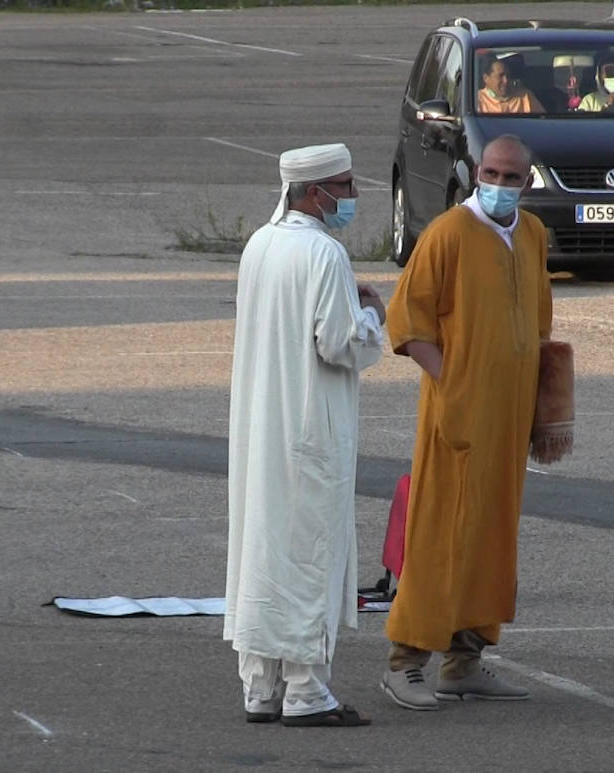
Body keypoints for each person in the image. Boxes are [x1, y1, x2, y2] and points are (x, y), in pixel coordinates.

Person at [378, 135, 553, 711]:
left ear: (528, 182)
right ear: (477, 170)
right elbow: (408, 322)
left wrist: (543, 409)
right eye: (493, 172)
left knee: (490, 537)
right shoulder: (448, 233)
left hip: (507, 421)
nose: (500, 185)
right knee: (440, 534)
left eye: (512, 177)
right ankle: (405, 663)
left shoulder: (530, 236)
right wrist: (450, 382)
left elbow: (538, 328)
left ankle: (465, 660)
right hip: (457, 417)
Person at [224, 143, 386, 728]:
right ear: (315, 192)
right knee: (308, 560)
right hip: (308, 433)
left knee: (264, 554)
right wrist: (373, 315)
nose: (352, 196)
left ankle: (260, 687)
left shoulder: (259, 245)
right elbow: (340, 342)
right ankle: (306, 692)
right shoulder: (324, 253)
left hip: (262, 430)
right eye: (345, 185)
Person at [477, 57, 546, 114]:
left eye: (508, 75)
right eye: (500, 76)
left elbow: (543, 123)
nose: (506, 80)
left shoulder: (525, 96)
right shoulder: (476, 101)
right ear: (486, 78)